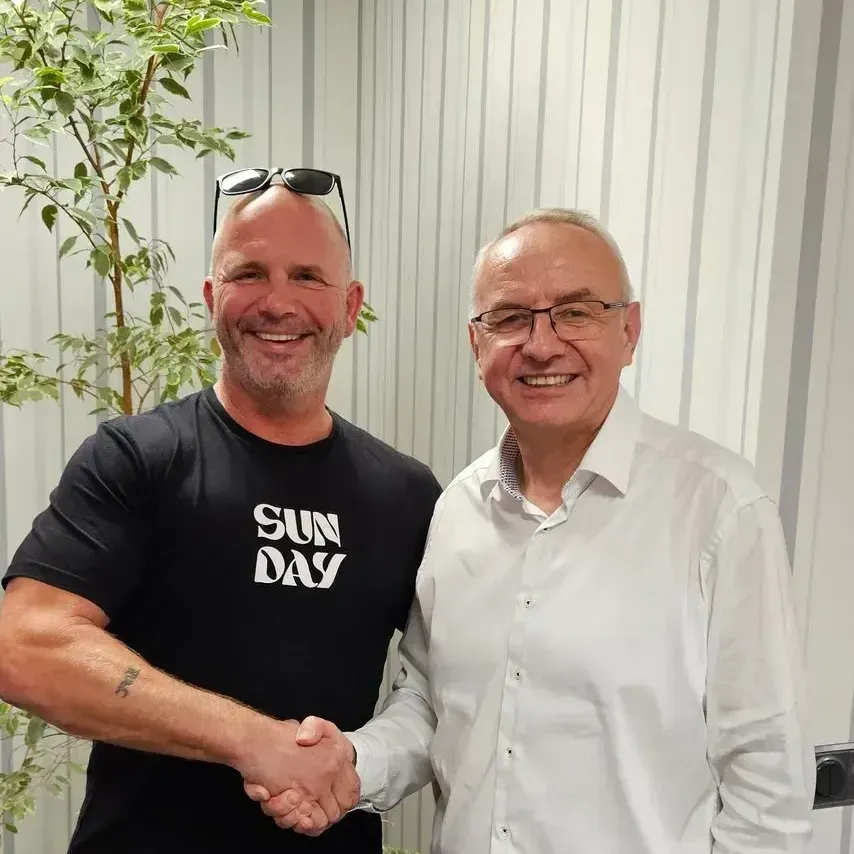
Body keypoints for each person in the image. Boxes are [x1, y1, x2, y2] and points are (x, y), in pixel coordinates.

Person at [257, 208, 816, 853]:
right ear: (476, 345)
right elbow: (431, 706)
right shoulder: (457, 511)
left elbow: (766, 781)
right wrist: (354, 764)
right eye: (510, 317)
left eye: (576, 312)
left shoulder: (717, 508)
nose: (542, 345)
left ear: (629, 331)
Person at [0, 172, 442, 854]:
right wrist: (250, 740)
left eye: (307, 277)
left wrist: (355, 764)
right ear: (212, 298)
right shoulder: (138, 458)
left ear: (350, 306)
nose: (277, 302)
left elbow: (435, 695)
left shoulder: (409, 495)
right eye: (249, 273)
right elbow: (24, 645)